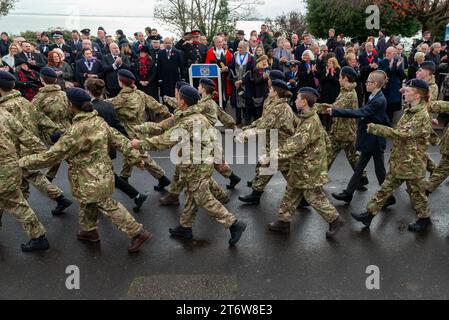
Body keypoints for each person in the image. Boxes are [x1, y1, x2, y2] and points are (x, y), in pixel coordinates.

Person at [19, 87, 151, 252]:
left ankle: (137, 232)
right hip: (102, 174)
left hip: (88, 178)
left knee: (107, 205)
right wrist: (136, 158)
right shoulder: (99, 122)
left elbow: (52, 156)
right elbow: (120, 140)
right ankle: (89, 231)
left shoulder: (76, 130)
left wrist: (22, 162)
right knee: (87, 202)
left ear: (71, 105)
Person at [131, 85, 247, 246]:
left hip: (196, 166)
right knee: (191, 195)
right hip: (199, 164)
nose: (176, 99)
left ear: (183, 101)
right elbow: (214, 139)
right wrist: (219, 159)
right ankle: (185, 226)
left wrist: (140, 144)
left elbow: (164, 141)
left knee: (203, 198)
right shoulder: (199, 117)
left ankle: (234, 224)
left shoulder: (188, 122)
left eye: (178, 97)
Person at [351, 79, 433, 232]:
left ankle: (425, 219)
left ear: (417, 96)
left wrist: (376, 128)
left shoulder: (420, 115)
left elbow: (402, 134)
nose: (405, 94)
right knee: (385, 188)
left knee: (417, 194)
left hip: (412, 163)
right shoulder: (410, 111)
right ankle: (369, 215)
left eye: (408, 92)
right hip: (401, 160)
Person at [263, 87, 344, 237]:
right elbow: (325, 139)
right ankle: (283, 221)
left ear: (304, 101)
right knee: (291, 191)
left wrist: (271, 156)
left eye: (298, 98)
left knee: (313, 196)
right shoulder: (308, 116)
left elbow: (295, 144)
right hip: (303, 165)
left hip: (307, 168)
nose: (295, 100)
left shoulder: (309, 122)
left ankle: (335, 219)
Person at [0, 70, 73, 216]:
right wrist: (56, 130)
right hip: (31, 143)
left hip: (16, 147)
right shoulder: (24, 101)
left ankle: (56, 199)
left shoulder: (4, 108)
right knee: (29, 175)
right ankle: (57, 198)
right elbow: (41, 118)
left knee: (28, 175)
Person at [158, 78, 240, 206]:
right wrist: (232, 126)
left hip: (202, 136)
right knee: (208, 164)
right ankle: (232, 179)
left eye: (199, 86)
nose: (198, 87)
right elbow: (223, 115)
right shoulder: (210, 102)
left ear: (203, 89)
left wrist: (168, 99)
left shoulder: (204, 104)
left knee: (193, 167)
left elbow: (188, 107)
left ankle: (174, 196)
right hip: (206, 135)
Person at [328, 70, 394, 206]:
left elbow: (361, 112)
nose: (366, 83)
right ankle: (348, 194)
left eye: (368, 81)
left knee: (380, 171)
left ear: (375, 83)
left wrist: (336, 111)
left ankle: (388, 197)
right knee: (359, 168)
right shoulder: (375, 96)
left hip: (375, 140)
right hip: (371, 138)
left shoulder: (379, 99)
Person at [84, 78, 149, 211]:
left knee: (99, 176)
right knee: (107, 175)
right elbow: (118, 126)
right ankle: (136, 196)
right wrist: (128, 142)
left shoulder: (90, 109)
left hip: (96, 148)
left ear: (88, 91)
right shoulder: (108, 105)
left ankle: (105, 202)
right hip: (109, 146)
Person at [0, 85, 50, 252]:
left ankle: (38, 237)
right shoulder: (4, 114)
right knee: (11, 201)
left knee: (16, 203)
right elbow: (25, 135)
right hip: (11, 166)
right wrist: (42, 153)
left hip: (3, 170)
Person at [108, 69, 172, 191]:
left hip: (130, 131)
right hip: (142, 129)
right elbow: (156, 105)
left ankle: (162, 178)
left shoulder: (122, 97)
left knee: (141, 156)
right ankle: (124, 177)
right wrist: (170, 116)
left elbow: (107, 105)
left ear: (121, 82)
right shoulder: (140, 94)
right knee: (129, 153)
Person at [237, 80, 296, 205]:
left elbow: (264, 125)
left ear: (275, 92)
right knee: (286, 171)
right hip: (279, 142)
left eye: (271, 89)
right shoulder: (278, 105)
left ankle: (255, 195)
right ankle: (302, 198)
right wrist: (246, 129)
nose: (269, 90)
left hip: (280, 144)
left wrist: (244, 136)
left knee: (268, 167)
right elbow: (263, 121)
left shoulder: (279, 108)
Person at [229, 40, 255, 125]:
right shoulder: (235, 55)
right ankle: (238, 118)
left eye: (241, 47)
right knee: (237, 100)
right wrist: (235, 80)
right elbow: (231, 68)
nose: (238, 49)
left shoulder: (251, 57)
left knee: (246, 100)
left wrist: (242, 81)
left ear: (245, 48)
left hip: (246, 83)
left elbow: (252, 71)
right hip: (236, 82)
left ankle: (247, 119)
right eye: (238, 47)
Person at [378, 47, 405, 122]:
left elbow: (403, 76)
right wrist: (389, 68)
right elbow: (380, 74)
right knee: (385, 107)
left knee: (392, 108)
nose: (387, 54)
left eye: (389, 53)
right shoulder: (382, 62)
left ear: (394, 54)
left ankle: (390, 122)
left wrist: (397, 68)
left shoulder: (397, 61)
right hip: (386, 88)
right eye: (386, 52)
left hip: (395, 88)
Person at [318, 57, 341, 131]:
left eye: (330, 63)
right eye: (328, 63)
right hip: (325, 92)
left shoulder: (338, 70)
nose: (328, 64)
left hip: (334, 92)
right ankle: (325, 125)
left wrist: (331, 75)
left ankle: (332, 125)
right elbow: (321, 80)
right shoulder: (325, 70)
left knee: (332, 108)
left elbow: (337, 82)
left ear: (334, 63)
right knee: (325, 108)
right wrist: (327, 74)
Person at [251, 55, 270, 120]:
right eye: (264, 60)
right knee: (259, 110)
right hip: (259, 92)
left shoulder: (268, 69)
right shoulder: (256, 70)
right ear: (260, 61)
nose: (265, 61)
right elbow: (256, 81)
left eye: (266, 60)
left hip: (267, 92)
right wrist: (263, 77)